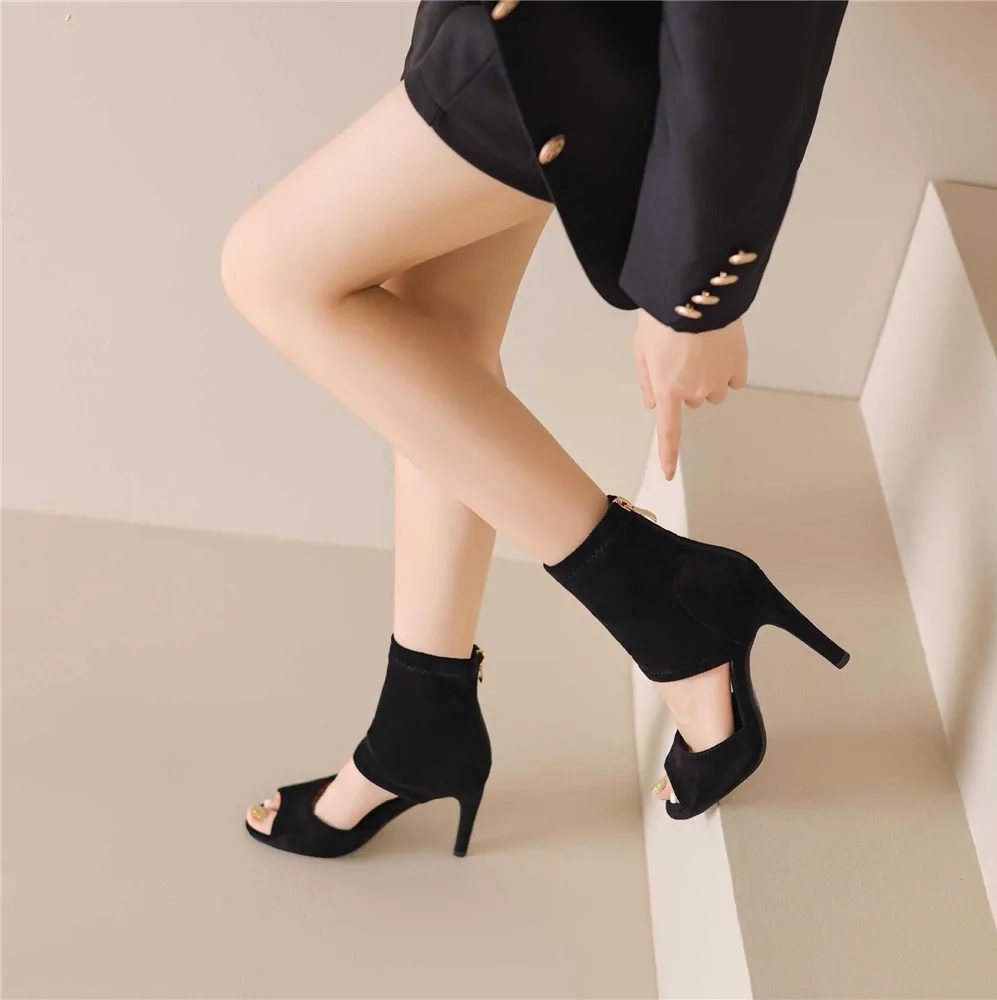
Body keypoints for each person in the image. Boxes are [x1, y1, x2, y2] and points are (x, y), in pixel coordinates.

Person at [222, 0, 850, 859]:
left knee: (269, 270)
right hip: (503, 21)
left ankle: (665, 600)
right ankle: (421, 715)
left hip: (562, 26)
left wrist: (698, 283)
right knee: (438, 334)